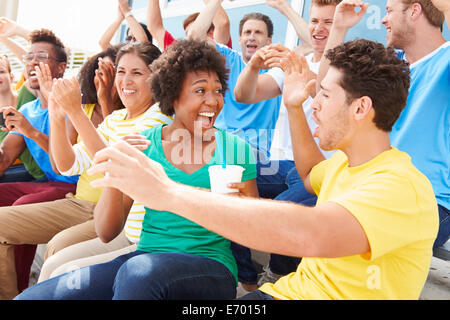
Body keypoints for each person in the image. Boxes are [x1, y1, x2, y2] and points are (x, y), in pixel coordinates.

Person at [61, 38, 438, 301]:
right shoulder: (345, 164)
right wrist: (292, 107)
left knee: (140, 277)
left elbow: (311, 234)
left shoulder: (400, 186)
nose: (314, 103)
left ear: (360, 108)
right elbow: (309, 175)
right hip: (277, 294)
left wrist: (167, 192)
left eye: (323, 94)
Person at [16, 39, 258, 300]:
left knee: (139, 273)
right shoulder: (144, 145)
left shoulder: (235, 149)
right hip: (143, 258)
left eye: (218, 91)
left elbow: (256, 232)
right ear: (173, 94)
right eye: (200, 91)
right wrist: (115, 171)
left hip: (210, 266)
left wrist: (240, 209)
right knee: (35, 297)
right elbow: (107, 232)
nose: (213, 101)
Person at [35, 41, 173, 283]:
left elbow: (115, 166)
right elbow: (69, 165)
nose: (125, 81)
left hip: (142, 235)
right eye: (121, 72)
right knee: (54, 265)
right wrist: (57, 115)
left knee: (57, 269)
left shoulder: (159, 118)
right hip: (122, 230)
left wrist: (76, 112)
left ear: (156, 79)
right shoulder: (116, 118)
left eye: (137, 73)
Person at [233, 0, 344, 286]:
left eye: (328, 22)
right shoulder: (294, 64)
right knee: (228, 177)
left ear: (341, 26)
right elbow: (244, 95)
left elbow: (321, 85)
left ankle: (279, 273)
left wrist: (286, 9)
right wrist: (255, 65)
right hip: (280, 166)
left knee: (281, 209)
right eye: (315, 21)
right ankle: (245, 276)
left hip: (316, 171)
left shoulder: (343, 68)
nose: (319, 29)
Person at [382, 0, 449, 248]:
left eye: (389, 11)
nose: (382, 19)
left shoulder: (446, 59)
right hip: (376, 187)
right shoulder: (391, 64)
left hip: (430, 201)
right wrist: (339, 28)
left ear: (415, 10)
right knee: (299, 211)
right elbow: (323, 91)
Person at [146, 0, 231, 50]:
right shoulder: (180, 53)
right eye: (187, 33)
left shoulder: (220, 47)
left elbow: (222, 23)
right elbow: (154, 27)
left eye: (195, 30)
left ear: (211, 33)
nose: (189, 36)